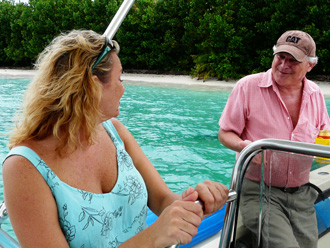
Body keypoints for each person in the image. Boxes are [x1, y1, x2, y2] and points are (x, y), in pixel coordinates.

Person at [2, 30, 229, 248]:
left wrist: (197, 202)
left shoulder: (115, 133)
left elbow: (162, 200)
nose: (123, 88)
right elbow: (153, 234)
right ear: (93, 86)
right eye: (119, 78)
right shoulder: (24, 167)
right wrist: (151, 238)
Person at [218, 30, 330, 248]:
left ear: (310, 65)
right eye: (280, 56)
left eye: (293, 60)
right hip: (258, 192)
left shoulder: (315, 93)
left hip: (301, 194)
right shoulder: (247, 86)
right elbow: (225, 133)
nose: (283, 65)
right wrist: (245, 147)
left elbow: (323, 137)